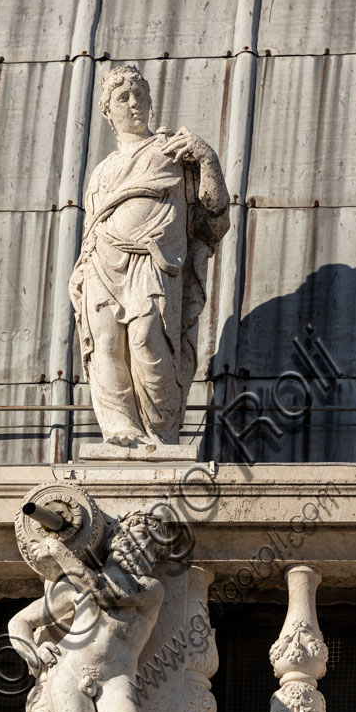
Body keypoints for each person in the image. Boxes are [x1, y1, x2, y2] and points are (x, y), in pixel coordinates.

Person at [69, 64, 230, 449]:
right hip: (101, 261)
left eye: (140, 95)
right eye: (123, 98)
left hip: (152, 261)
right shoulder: (101, 172)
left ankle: (160, 433)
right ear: (108, 111)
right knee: (105, 344)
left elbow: (215, 210)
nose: (134, 102)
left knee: (147, 341)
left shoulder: (173, 151)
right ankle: (120, 427)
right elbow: (93, 224)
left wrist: (206, 158)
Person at [8, 507, 171, 712]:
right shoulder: (72, 588)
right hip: (69, 673)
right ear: (115, 544)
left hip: (115, 677)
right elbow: (19, 623)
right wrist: (34, 653)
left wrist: (59, 552)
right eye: (133, 541)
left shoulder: (149, 588)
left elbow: (100, 590)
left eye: (147, 546)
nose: (139, 550)